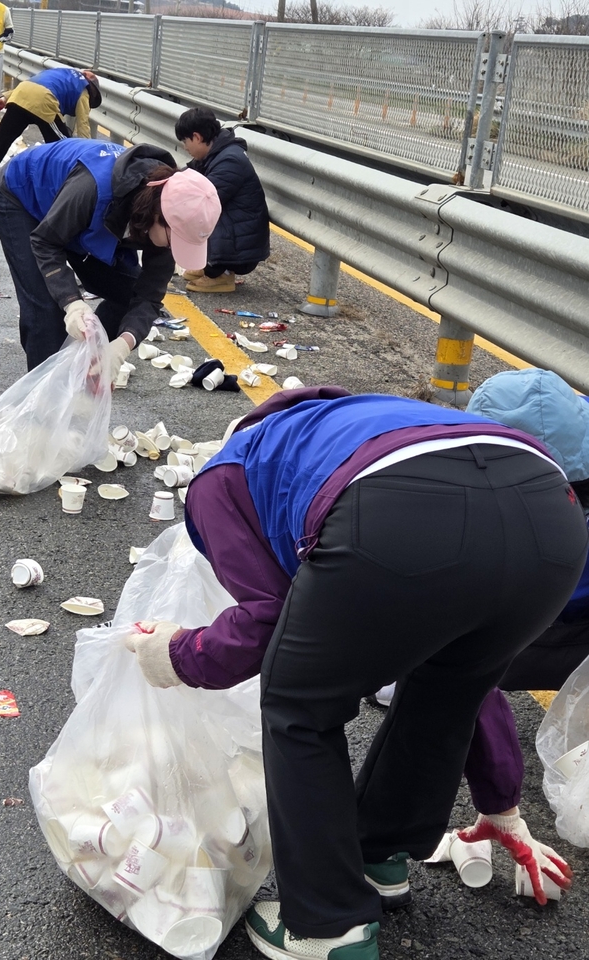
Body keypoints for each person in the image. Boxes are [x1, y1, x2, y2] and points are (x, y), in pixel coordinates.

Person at [123, 385, 587, 960]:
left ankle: (327, 924)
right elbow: (472, 685)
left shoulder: (223, 476)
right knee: (448, 685)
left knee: (299, 704)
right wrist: (501, 803)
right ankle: (378, 856)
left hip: (397, 517)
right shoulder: (363, 425)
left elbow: (269, 620)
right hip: (553, 517)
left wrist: (176, 654)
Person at [367, 368, 589, 905]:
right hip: (534, 627)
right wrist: (503, 805)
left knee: (435, 676)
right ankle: (382, 849)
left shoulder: (464, 503)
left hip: (537, 624)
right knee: (441, 673)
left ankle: (378, 854)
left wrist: (501, 802)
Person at [0, 139, 221, 376]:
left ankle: (86, 366)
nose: (174, 249)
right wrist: (71, 302)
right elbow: (45, 241)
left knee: (128, 295)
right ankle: (45, 388)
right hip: (22, 195)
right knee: (46, 307)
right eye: (175, 241)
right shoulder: (93, 188)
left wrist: (121, 346)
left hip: (82, 218)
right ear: (158, 213)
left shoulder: (169, 214)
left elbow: (148, 296)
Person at [174, 106, 270, 294]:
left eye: (185, 141)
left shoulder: (229, 161)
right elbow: (187, 177)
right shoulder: (216, 154)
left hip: (242, 247)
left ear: (197, 137)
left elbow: (203, 200)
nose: (185, 147)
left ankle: (220, 273)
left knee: (199, 210)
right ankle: (208, 263)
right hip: (239, 236)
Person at [0, 66, 101, 193]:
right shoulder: (84, 90)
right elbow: (83, 124)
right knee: (62, 147)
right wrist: (86, 150)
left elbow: (31, 84)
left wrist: (5, 97)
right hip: (45, 101)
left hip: (20, 95)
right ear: (92, 89)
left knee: (2, 141)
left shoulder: (60, 72)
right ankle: (64, 184)